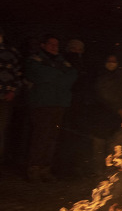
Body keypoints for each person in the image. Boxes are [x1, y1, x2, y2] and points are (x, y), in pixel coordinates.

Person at [24, 34, 77, 182]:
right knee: (40, 136)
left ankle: (45, 169)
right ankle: (34, 168)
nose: (54, 47)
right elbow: (38, 74)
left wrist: (51, 76)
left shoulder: (63, 62)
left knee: (52, 138)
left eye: (56, 45)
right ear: (43, 45)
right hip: (42, 103)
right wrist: (58, 75)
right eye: (51, 44)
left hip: (59, 104)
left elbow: (72, 76)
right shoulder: (35, 59)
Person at [0, 28, 23, 169]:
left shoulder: (11, 52)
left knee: (1, 130)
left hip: (4, 97)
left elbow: (18, 73)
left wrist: (13, 91)